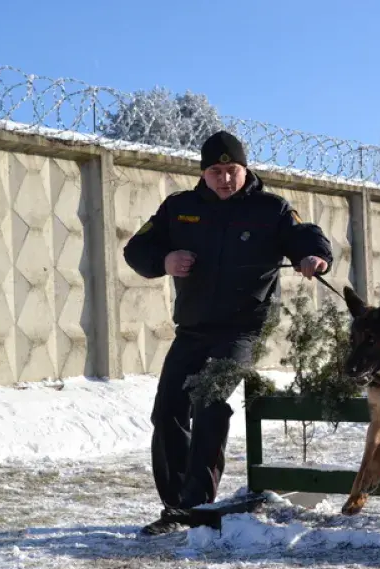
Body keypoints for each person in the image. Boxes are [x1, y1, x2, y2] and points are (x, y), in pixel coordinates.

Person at [123, 130, 333, 536]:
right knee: (167, 411)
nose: (224, 178)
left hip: (242, 331)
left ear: (245, 169)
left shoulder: (269, 209)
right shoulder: (179, 208)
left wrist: (314, 256)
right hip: (192, 330)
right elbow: (136, 250)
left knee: (209, 401)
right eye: (215, 171)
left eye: (231, 169)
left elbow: (304, 235)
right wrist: (165, 259)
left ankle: (198, 506)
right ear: (203, 173)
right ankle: (175, 509)